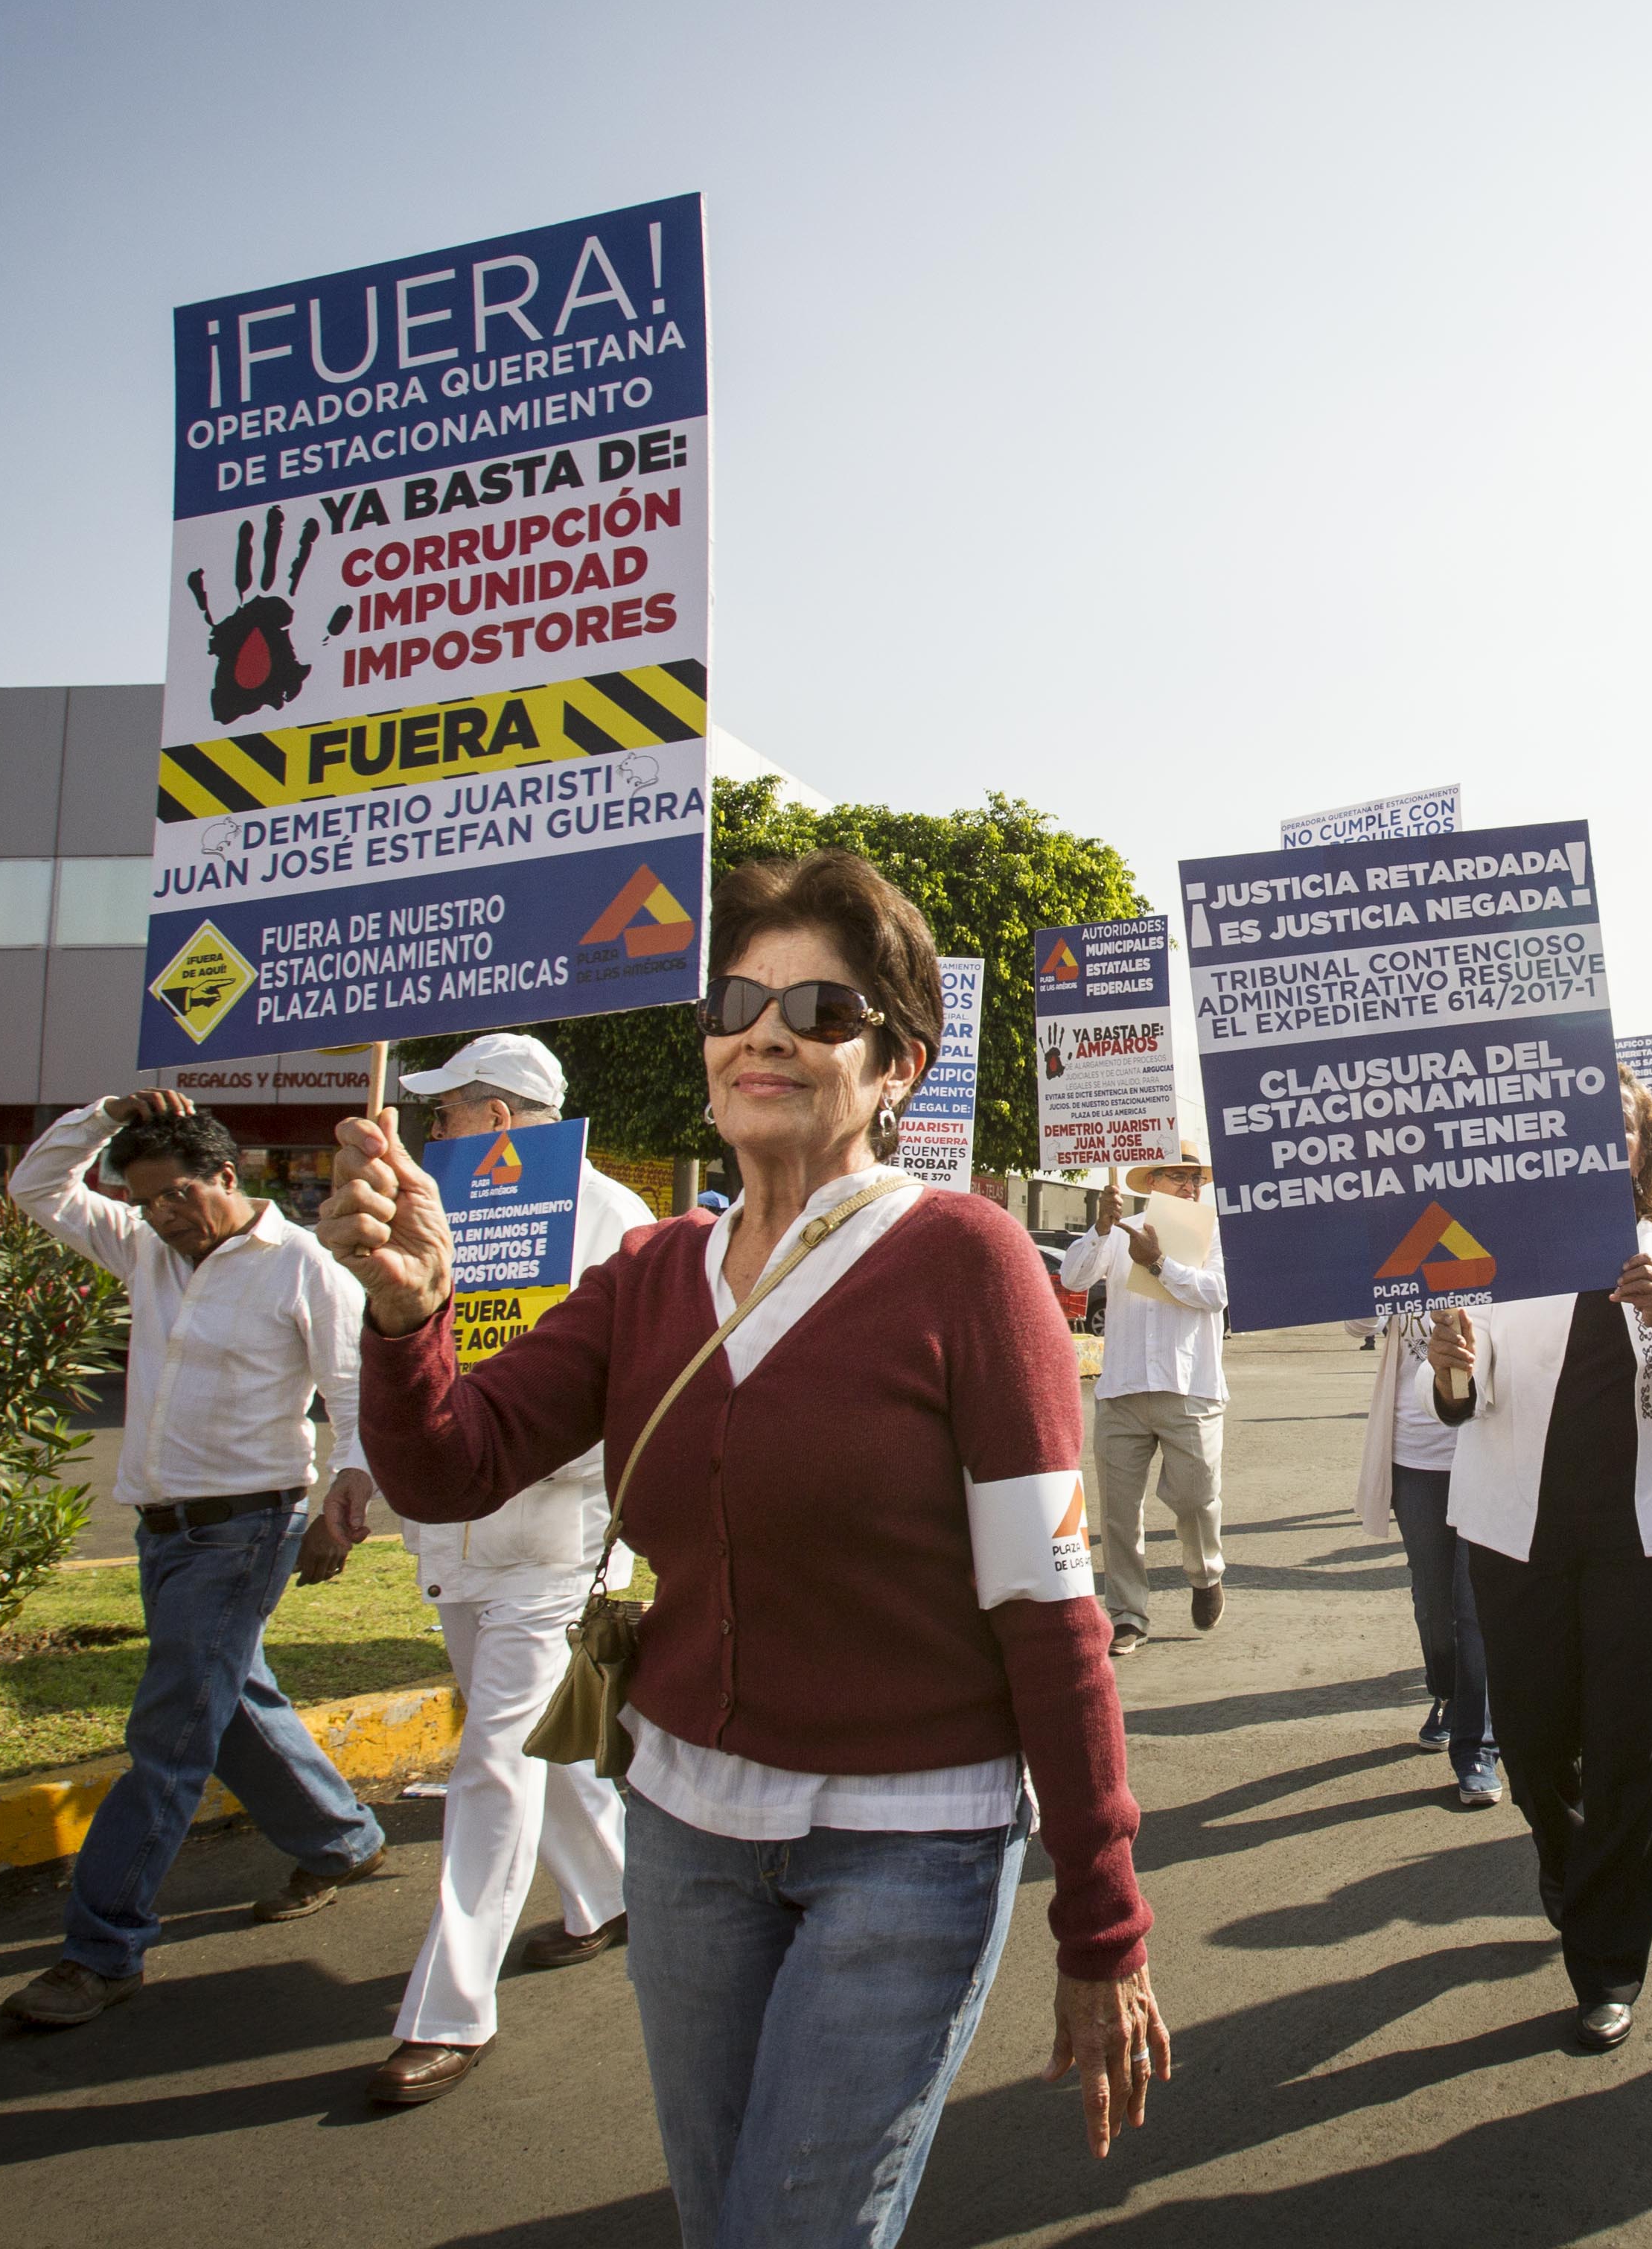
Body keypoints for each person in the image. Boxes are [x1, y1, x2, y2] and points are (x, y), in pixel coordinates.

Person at [322, 850, 1167, 2240]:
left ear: (896, 1067)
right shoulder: (651, 1273)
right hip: (686, 1835)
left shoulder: (969, 1261)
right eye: (736, 1003)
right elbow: (450, 1465)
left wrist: (1104, 1920)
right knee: (720, 2217)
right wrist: (408, 1315)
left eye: (821, 1010)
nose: (765, 1033)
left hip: (911, 1843)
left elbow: (1048, 1603)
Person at [0, 1091, 386, 2029]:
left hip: (247, 1530)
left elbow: (352, 1392)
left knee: (170, 1737)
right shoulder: (145, 1249)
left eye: (177, 1194)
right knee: (230, 1704)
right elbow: (36, 1188)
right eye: (144, 1201)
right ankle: (342, 1842)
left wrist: (343, 1504)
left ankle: (103, 1948)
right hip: (161, 1528)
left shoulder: (301, 1263)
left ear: (226, 1173)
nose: (163, 1215)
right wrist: (103, 1115)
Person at [323, 1032, 657, 2107]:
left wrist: (513, 1444)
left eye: (447, 1113)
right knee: (534, 1741)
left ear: (500, 1118)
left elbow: (626, 1400)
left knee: (494, 1760)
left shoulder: (614, 1223)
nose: (433, 1131)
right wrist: (370, 1462)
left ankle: (450, 2009)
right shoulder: (443, 1210)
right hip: (453, 1541)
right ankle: (607, 1896)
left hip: (550, 1543)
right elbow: (397, 1347)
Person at [1422, 1069, 1652, 2051]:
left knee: (1626, 1749)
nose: (1604, 1141)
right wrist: (1450, 1365)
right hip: (1514, 1530)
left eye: (1623, 1128)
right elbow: (1462, 1396)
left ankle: (1607, 1962)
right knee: (1531, 1743)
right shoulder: (1491, 1246)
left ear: (1645, 1150)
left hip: (1642, 1541)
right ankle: (1570, 1870)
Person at [1061, 1142, 1231, 1653]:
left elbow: (1216, 1294)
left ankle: (1205, 1573)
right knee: (1118, 1512)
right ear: (1151, 1182)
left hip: (1190, 1389)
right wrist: (1101, 1228)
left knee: (1196, 1499)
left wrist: (1158, 1264)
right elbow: (1073, 1277)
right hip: (1123, 1390)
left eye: (1195, 1179)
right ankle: (1127, 1612)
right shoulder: (1120, 1230)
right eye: (1178, 1177)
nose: (1190, 1187)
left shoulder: (1213, 1232)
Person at [1356, 1308, 1502, 1807]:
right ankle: (1446, 1692)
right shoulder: (1394, 1265)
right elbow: (1357, 1326)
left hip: (1485, 1448)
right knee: (1434, 1606)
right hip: (1416, 1455)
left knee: (1474, 1606)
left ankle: (1478, 1746)